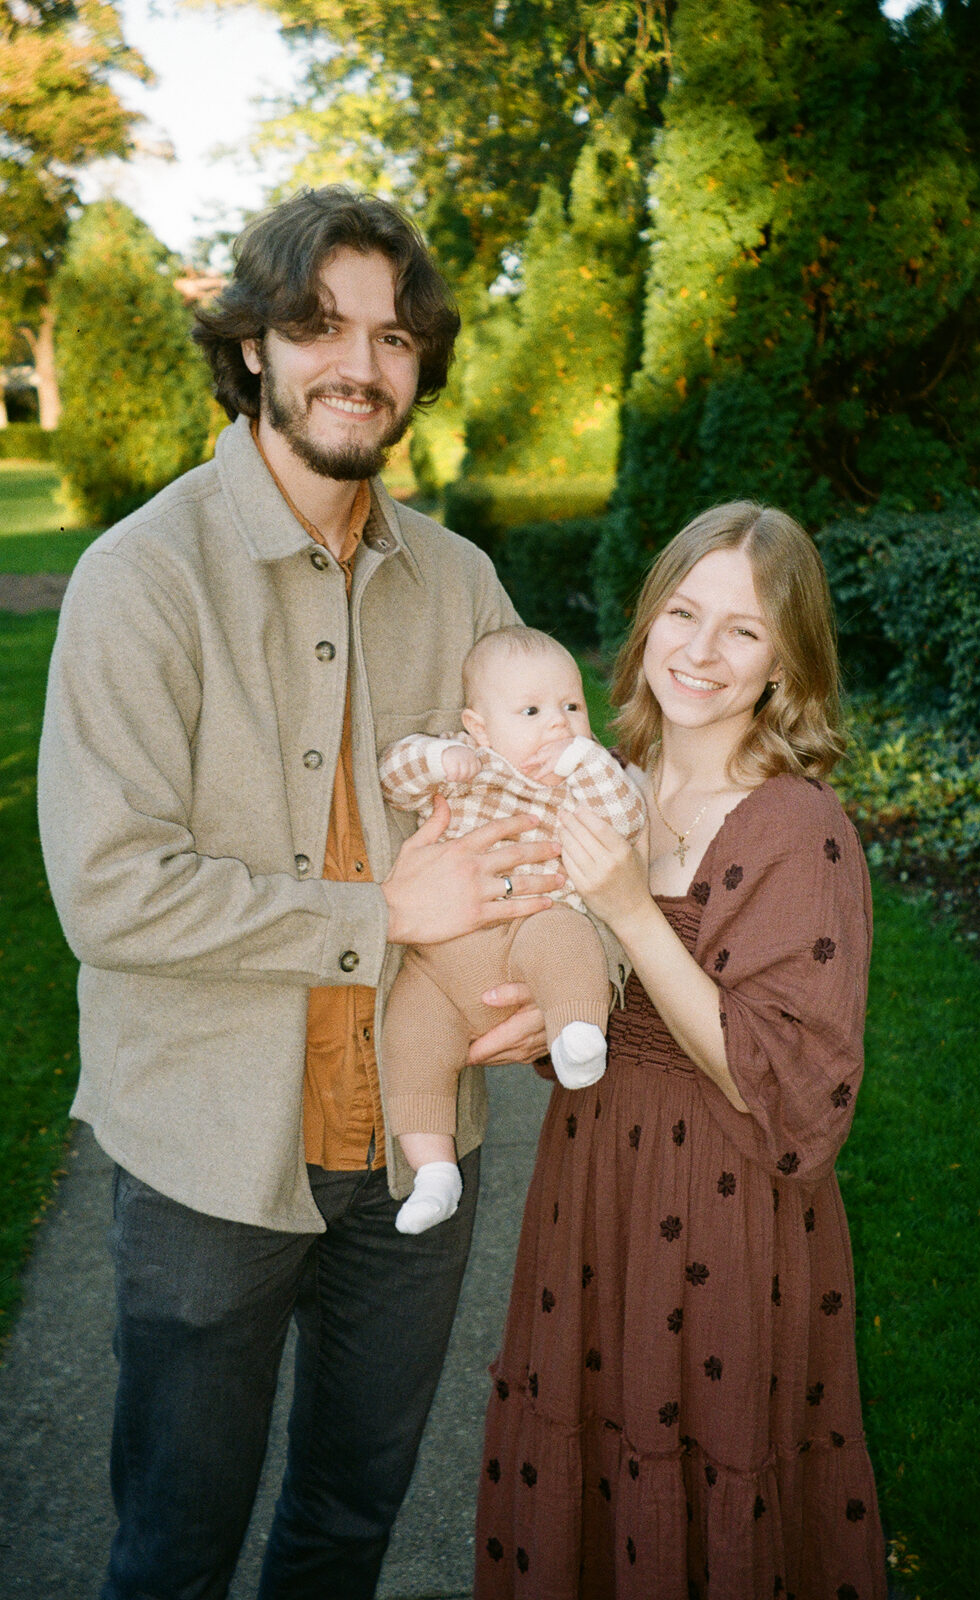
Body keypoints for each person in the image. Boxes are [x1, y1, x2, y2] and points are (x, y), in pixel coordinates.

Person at [36, 186, 589, 1600]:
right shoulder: (141, 579)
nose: (359, 363)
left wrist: (534, 988)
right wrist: (376, 919)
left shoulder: (460, 583)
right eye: (318, 326)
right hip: (209, 1161)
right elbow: (110, 892)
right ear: (255, 351)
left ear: (420, 367)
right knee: (173, 1548)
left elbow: (528, 806)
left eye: (394, 337)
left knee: (347, 1529)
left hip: (414, 1160)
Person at [475, 502, 888, 1599]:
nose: (701, 651)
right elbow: (581, 983)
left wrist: (631, 906)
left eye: (744, 631)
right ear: (647, 617)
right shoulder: (608, 777)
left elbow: (794, 1104)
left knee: (700, 1466)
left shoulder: (800, 827)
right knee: (588, 1453)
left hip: (723, 1208)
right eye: (684, 612)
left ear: (786, 660)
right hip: (592, 1186)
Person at [378, 626, 646, 1233]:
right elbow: (395, 773)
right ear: (479, 727)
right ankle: (434, 1173)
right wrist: (441, 760)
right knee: (410, 1042)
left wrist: (584, 758)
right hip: (436, 968)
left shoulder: (581, 783)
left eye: (571, 707)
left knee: (565, 937)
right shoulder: (464, 766)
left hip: (529, 934)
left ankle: (579, 1033)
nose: (558, 724)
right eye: (531, 711)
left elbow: (627, 815)